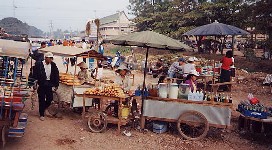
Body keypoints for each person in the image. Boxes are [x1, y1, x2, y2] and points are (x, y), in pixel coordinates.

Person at [33, 52, 59, 121]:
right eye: (49, 58)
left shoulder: (53, 65)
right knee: (41, 99)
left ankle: (44, 108)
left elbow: (56, 74)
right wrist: (34, 83)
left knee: (49, 99)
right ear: (45, 58)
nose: (50, 60)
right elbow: (35, 74)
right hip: (41, 83)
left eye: (51, 58)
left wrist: (56, 84)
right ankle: (41, 114)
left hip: (49, 84)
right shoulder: (39, 64)